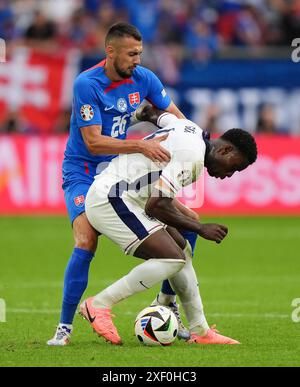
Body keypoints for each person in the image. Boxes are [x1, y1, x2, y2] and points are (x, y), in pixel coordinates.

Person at [47, 22, 185, 346]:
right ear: (111, 52)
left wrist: (192, 141)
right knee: (85, 240)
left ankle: (168, 305)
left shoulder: (144, 79)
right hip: (82, 170)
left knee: (182, 221)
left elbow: (176, 118)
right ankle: (64, 328)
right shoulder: (87, 84)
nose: (138, 60)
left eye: (140, 53)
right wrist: (141, 144)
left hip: (120, 171)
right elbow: (93, 143)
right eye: (132, 54)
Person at [80, 108, 257, 345]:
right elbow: (157, 206)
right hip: (112, 199)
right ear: (225, 149)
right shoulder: (192, 157)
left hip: (128, 196)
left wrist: (137, 115)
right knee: (172, 258)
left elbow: (155, 114)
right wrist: (200, 229)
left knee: (181, 252)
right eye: (234, 167)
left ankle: (200, 331)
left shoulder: (190, 128)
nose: (229, 175)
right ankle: (98, 305)